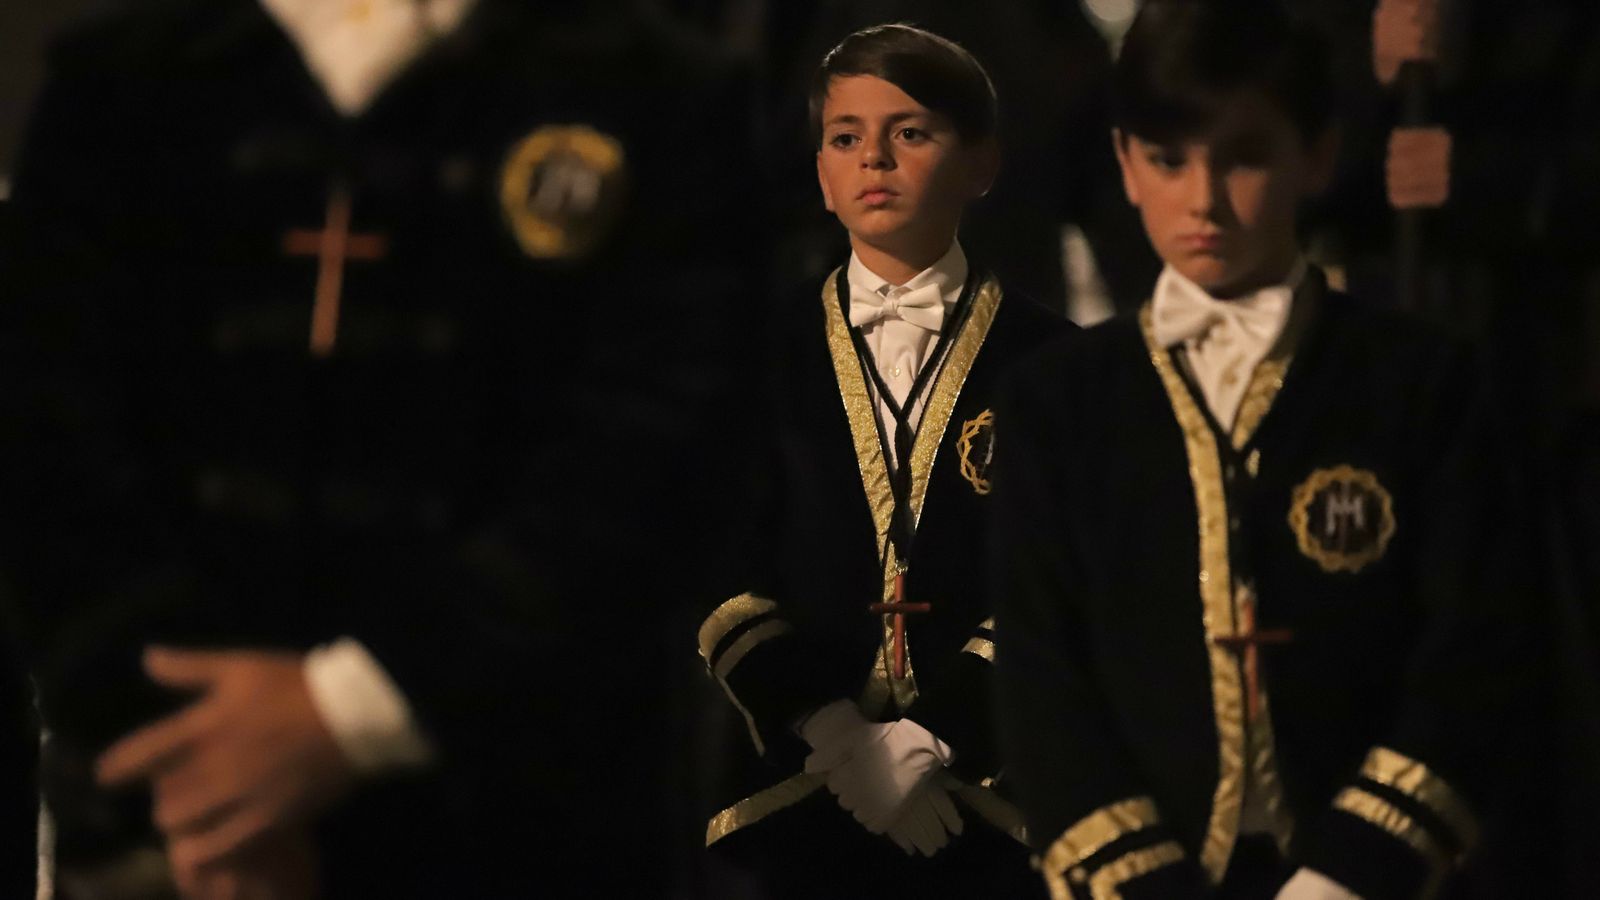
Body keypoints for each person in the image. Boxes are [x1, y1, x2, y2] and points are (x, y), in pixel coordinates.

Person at [0, 0, 760, 896]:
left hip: (518, 816)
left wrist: (355, 710)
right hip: (169, 826)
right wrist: (202, 777)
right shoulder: (127, 81)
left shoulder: (649, 87)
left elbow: (660, 445)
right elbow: (44, 441)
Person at [990, 1, 1534, 897]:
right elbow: (1042, 679)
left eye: (1243, 157)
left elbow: (1472, 653)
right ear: (1125, 165)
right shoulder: (1058, 400)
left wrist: (1351, 873)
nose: (1203, 199)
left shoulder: (1419, 384)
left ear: (1315, 156)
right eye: (1168, 160)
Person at [696, 23, 1070, 899]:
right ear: (821, 175)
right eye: (845, 138)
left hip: (990, 804)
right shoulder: (756, 355)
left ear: (981, 164)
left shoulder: (1058, 367)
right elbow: (721, 565)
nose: (874, 160)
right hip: (797, 790)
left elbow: (1060, 580)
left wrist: (930, 740)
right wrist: (835, 733)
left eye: (910, 132)